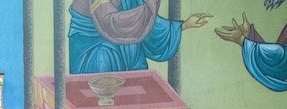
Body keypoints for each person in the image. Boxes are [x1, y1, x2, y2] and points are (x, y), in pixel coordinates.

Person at [68, 0, 211, 74]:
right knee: (104, 62)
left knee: (136, 57)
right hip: (94, 47)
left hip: (125, 42)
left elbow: (146, 23)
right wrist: (151, 5)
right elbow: (113, 23)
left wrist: (184, 25)